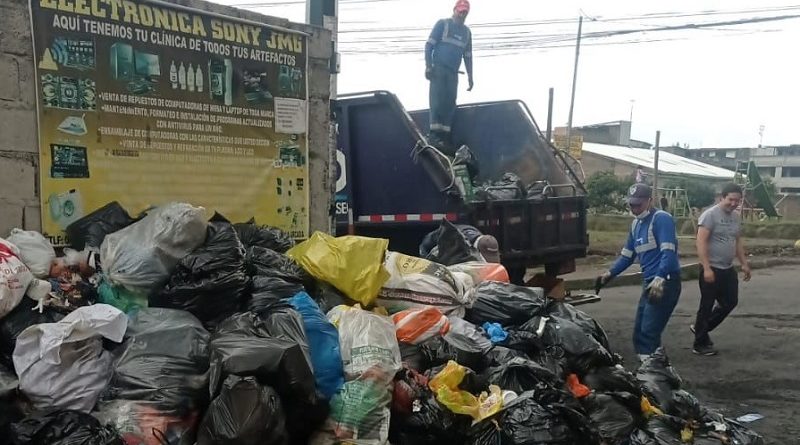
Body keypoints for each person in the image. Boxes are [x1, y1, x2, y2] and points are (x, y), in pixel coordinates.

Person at [597, 184, 682, 361]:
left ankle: (653, 374)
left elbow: (669, 253)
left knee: (648, 333)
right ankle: (653, 369)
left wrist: (659, 279)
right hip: (650, 282)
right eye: (631, 205)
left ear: (650, 201)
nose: (635, 209)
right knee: (639, 333)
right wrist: (609, 274)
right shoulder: (636, 225)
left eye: (638, 205)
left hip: (665, 282)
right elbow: (627, 256)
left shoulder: (661, 219)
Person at [691, 183, 751, 356]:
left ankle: (701, 328)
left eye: (737, 201)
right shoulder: (710, 215)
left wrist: (744, 263)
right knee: (707, 305)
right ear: (721, 198)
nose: (733, 204)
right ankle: (700, 344)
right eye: (730, 200)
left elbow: (737, 241)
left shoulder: (736, 217)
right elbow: (700, 242)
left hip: (727, 268)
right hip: (712, 268)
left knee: (730, 301)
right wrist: (707, 268)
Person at [425, 0, 474, 150]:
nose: (462, 14)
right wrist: (428, 66)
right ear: (454, 10)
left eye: (465, 12)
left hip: (453, 73)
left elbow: (468, 56)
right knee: (437, 101)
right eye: (460, 10)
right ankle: (434, 135)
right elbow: (429, 46)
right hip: (439, 69)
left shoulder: (466, 32)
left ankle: (445, 138)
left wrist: (470, 76)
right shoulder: (443, 24)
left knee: (450, 103)